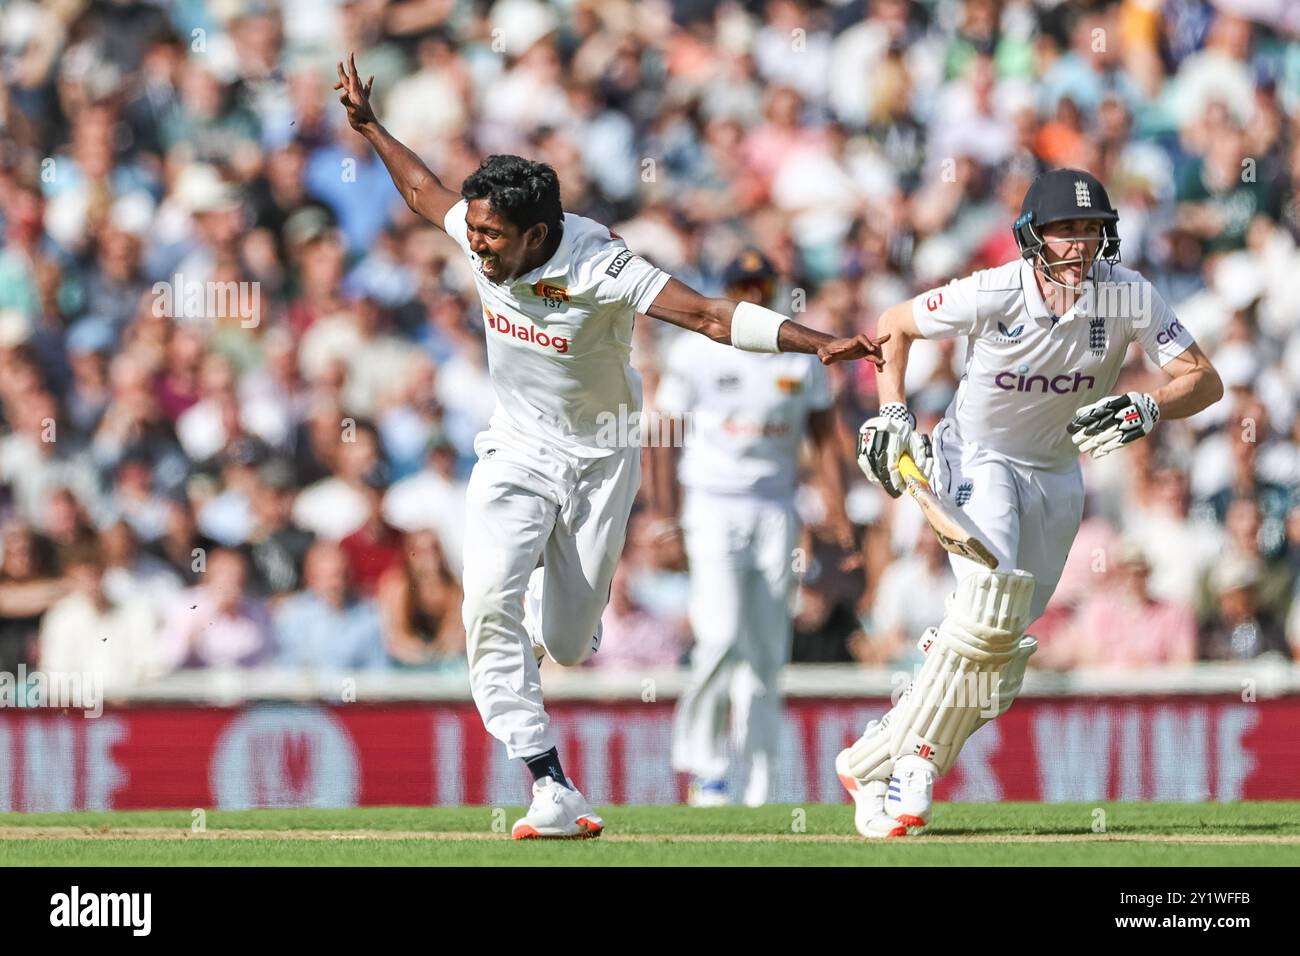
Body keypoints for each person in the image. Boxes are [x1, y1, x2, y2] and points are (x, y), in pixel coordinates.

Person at [334, 53, 888, 839]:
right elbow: (425, 191)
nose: (478, 249)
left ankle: (568, 616)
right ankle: (548, 782)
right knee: (488, 598)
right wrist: (371, 127)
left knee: (564, 640)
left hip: (601, 458)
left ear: (537, 233)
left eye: (493, 238)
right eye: (476, 232)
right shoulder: (480, 226)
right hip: (516, 446)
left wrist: (815, 342)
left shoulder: (599, 261)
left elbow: (706, 316)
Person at [838, 168, 1224, 838]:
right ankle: (917, 764)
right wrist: (895, 412)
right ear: (1033, 238)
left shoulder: (1128, 296)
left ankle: (872, 756)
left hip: (1056, 473)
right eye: (1065, 230)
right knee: (990, 602)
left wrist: (1149, 405)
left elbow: (1205, 380)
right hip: (976, 458)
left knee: (1002, 651)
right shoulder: (995, 289)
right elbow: (894, 326)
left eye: (1091, 230)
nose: (1079, 244)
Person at [652, 249, 856, 807]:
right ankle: (707, 769)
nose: (749, 293)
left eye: (758, 283)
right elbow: (662, 436)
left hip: (776, 507)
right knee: (718, 636)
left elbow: (823, 439)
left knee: (768, 650)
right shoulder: (693, 351)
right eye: (739, 283)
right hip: (712, 505)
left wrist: (837, 515)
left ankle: (763, 779)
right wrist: (665, 521)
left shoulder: (798, 358)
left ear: (771, 288)